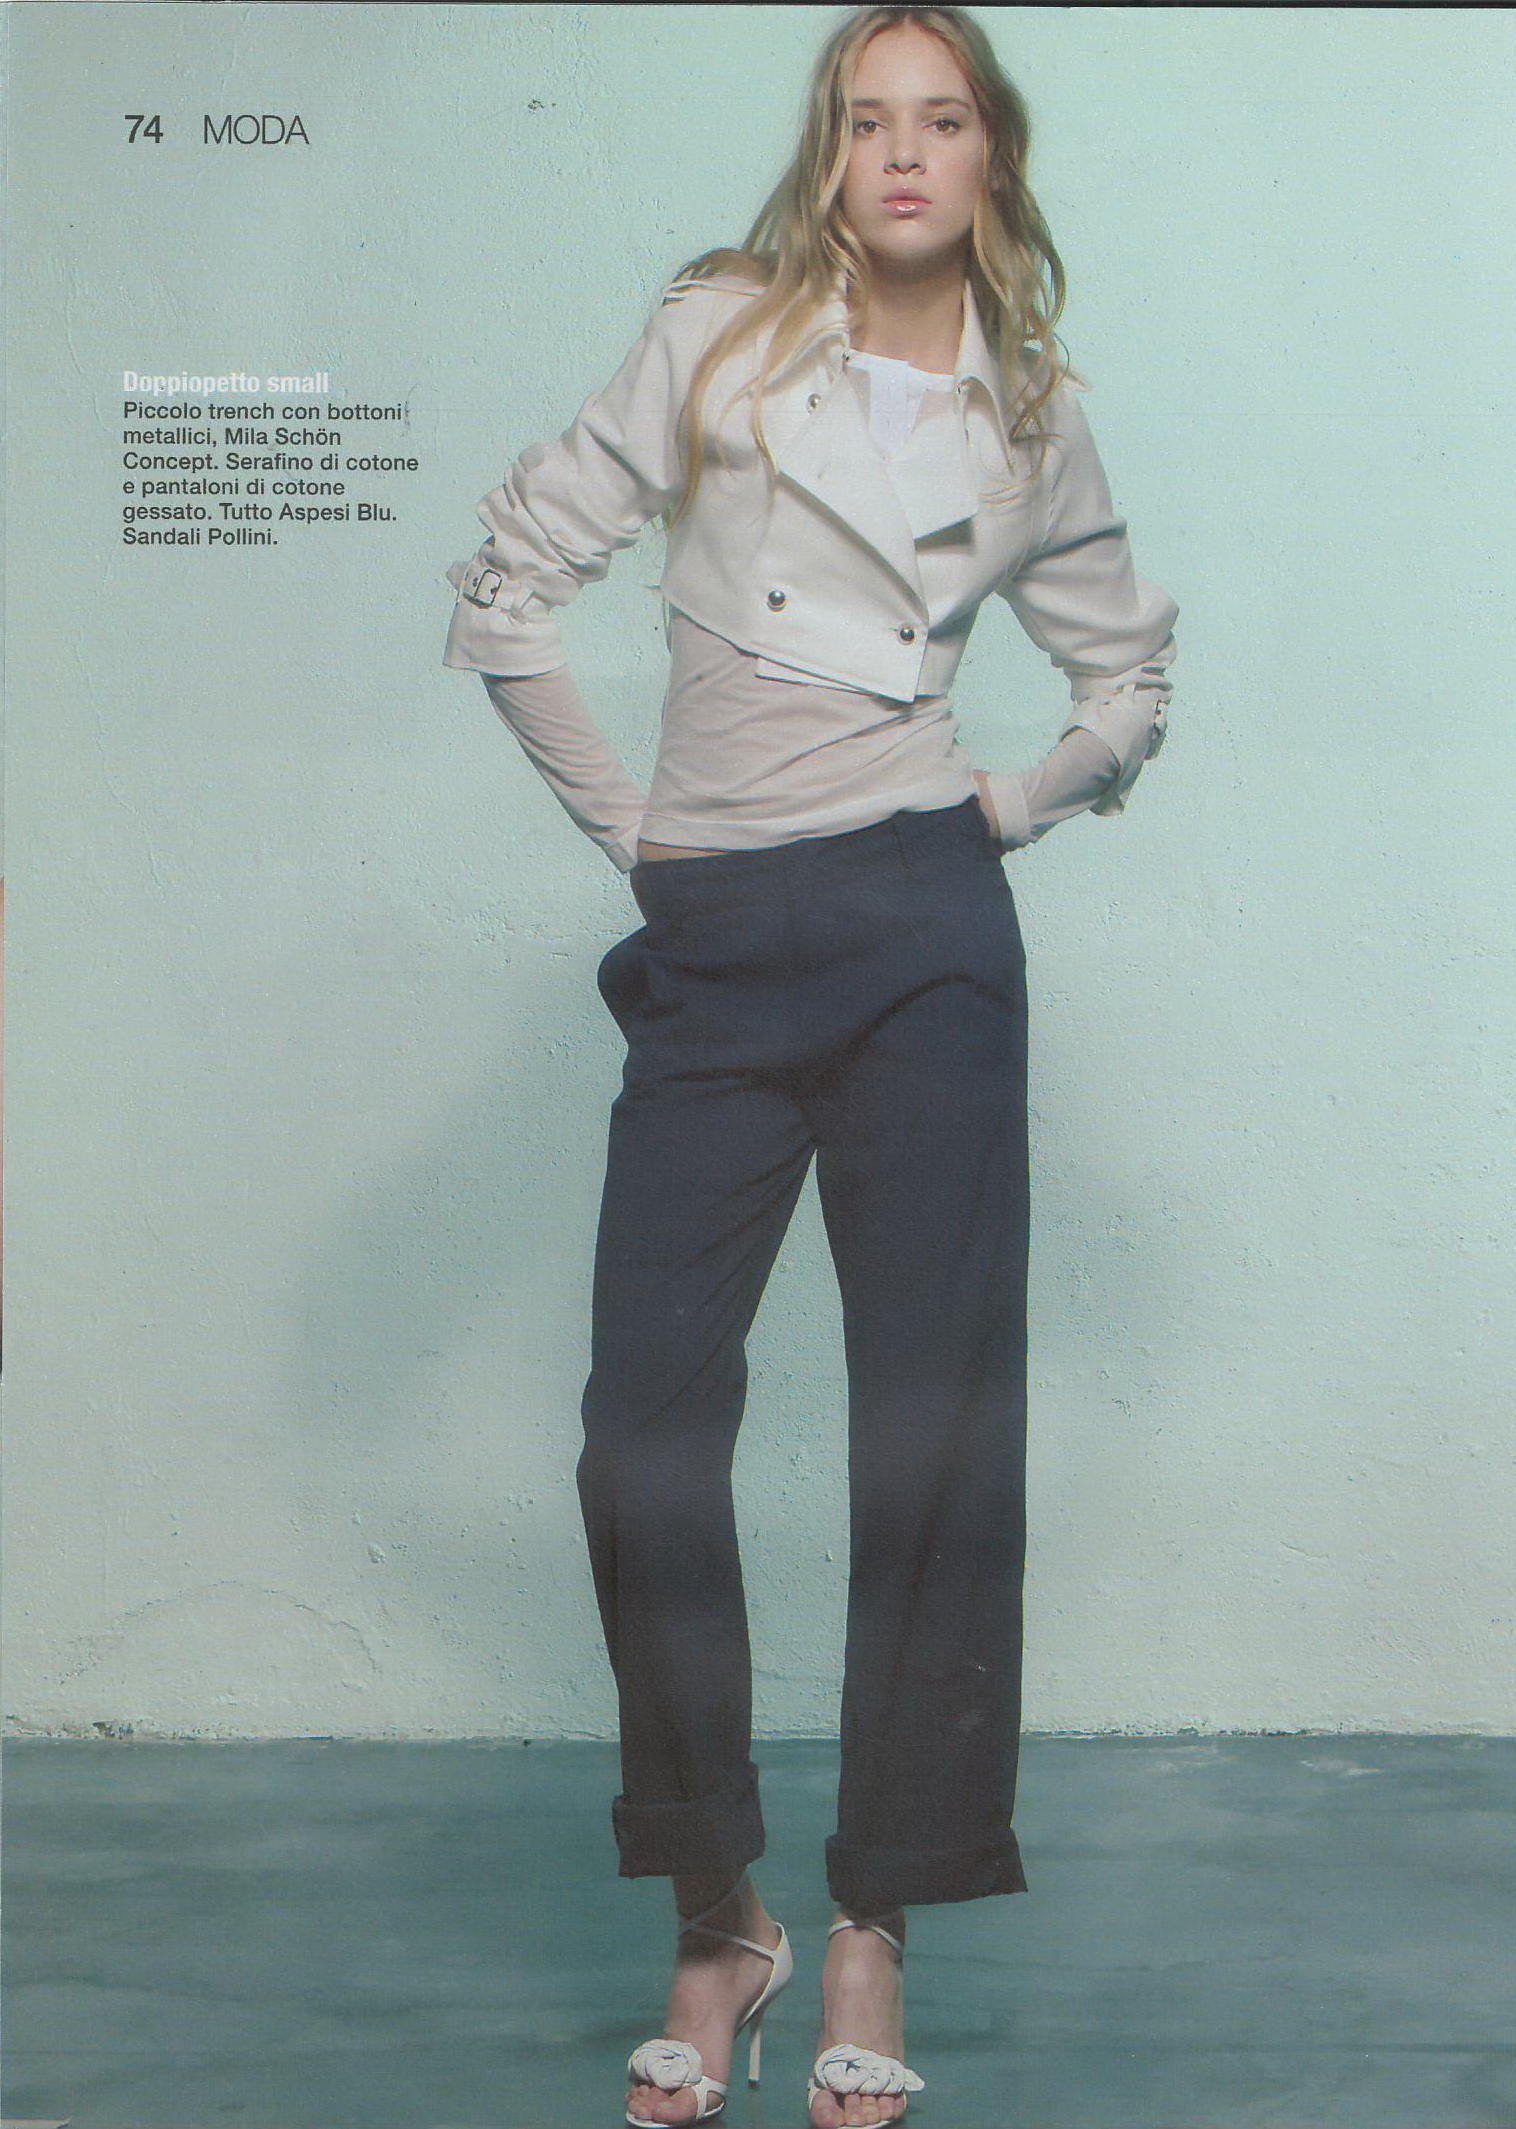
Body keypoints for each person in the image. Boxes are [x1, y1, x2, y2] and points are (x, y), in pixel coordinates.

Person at [441, 8, 1177, 2122]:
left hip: (926, 944)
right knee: (641, 1443)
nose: (901, 151)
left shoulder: (1034, 415)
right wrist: (643, 838)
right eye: (865, 119)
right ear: (826, 153)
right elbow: (507, 586)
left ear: (992, 157)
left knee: (931, 1437)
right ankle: (720, 1918)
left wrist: (995, 814)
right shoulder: (717, 339)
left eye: (940, 118)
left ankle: (872, 1926)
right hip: (717, 936)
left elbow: (1127, 680)